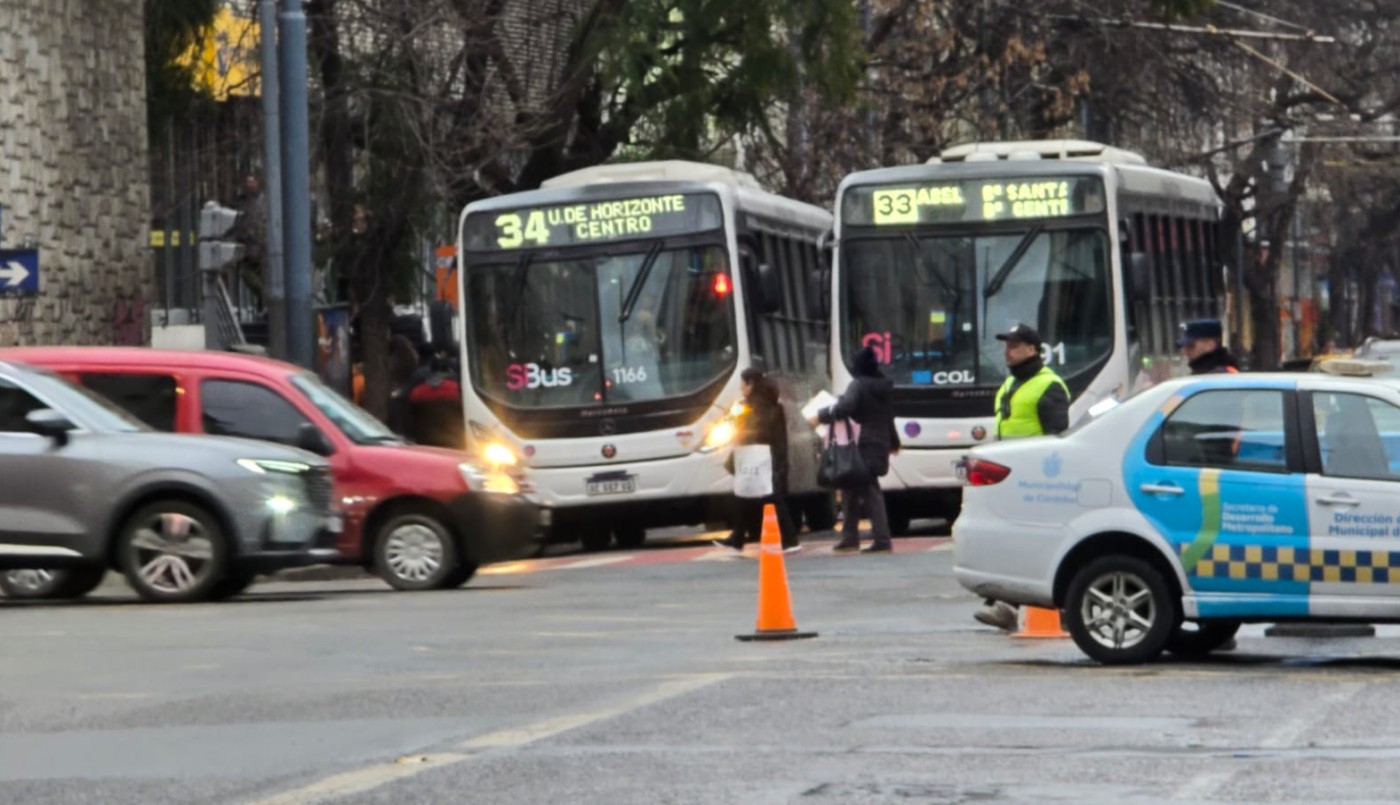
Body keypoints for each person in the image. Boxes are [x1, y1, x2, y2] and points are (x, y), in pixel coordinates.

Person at [976, 323, 1070, 631]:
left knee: (1038, 545)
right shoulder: (1010, 384)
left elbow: (1056, 438)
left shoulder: (1048, 385)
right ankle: (1006, 605)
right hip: (1011, 478)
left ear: (1032, 349)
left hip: (1037, 480)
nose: (1007, 351)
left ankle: (1017, 607)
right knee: (1012, 543)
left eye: (1014, 345)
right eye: (1006, 345)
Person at [810, 346, 899, 554]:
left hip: (863, 444)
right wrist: (894, 442)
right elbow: (888, 416)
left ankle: (880, 539)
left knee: (869, 490)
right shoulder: (884, 387)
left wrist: (820, 416)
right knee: (851, 487)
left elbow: (845, 408)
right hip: (879, 442)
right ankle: (850, 537)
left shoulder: (858, 385)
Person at [715, 368, 800, 553]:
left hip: (760, 458)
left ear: (750, 385)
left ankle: (790, 539)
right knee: (746, 496)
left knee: (770, 499)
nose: (740, 388)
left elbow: (756, 432)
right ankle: (737, 539)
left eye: (742, 384)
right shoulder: (770, 404)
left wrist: (738, 430)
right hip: (766, 457)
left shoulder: (753, 407)